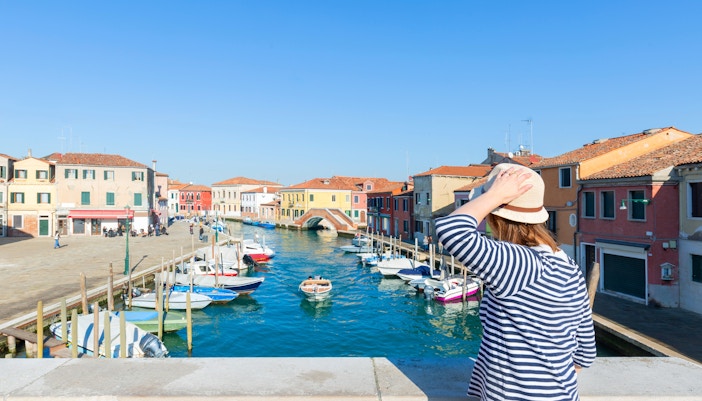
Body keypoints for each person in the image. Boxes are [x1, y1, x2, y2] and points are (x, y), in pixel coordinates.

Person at [435, 163, 596, 401]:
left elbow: (451, 230)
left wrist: (495, 195)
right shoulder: (565, 262)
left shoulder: (516, 262)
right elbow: (585, 348)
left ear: (494, 215)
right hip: (562, 393)